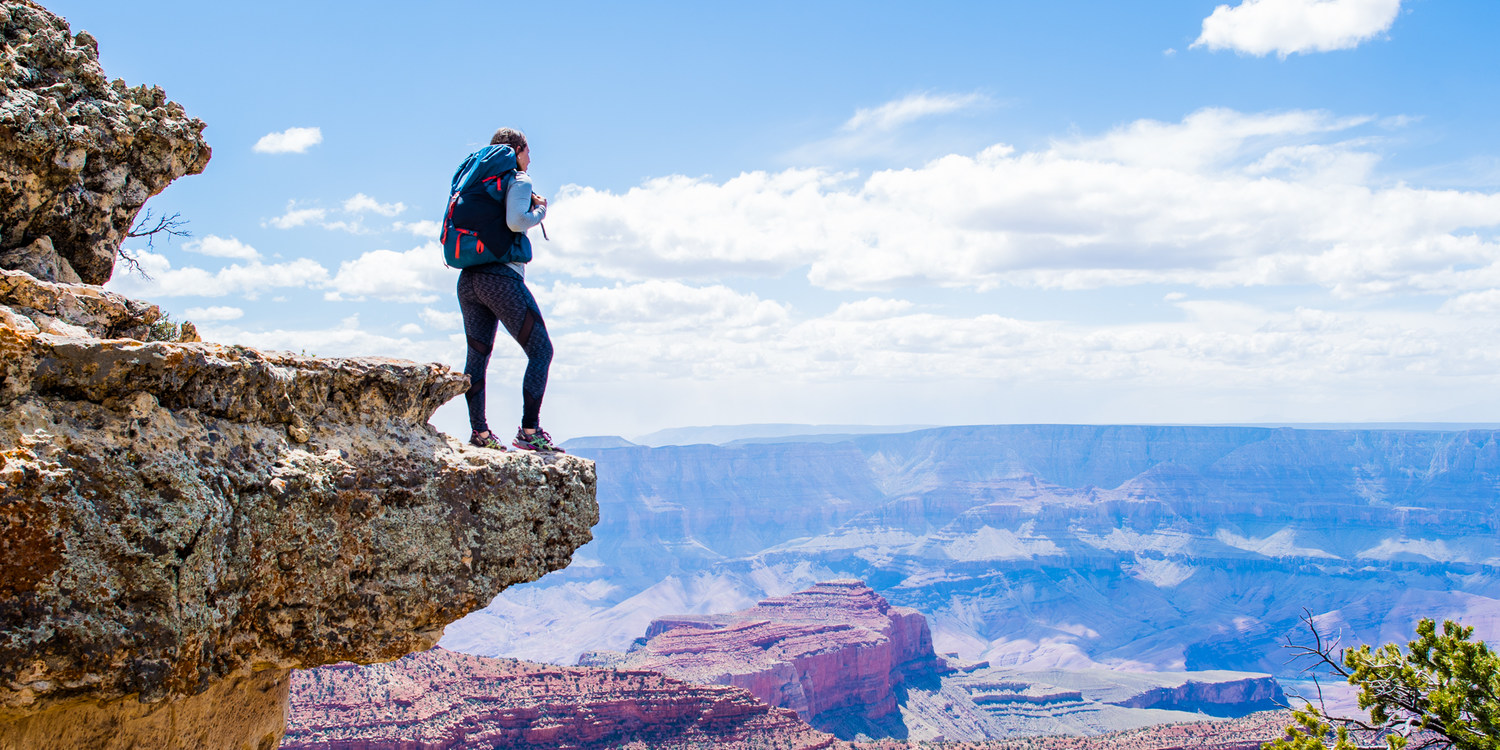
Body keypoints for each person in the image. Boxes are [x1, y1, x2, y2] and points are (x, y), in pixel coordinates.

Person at [455, 127, 564, 453]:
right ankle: (529, 432)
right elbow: (518, 222)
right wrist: (541, 209)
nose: (530, 159)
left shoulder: (476, 183)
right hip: (500, 279)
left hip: (468, 281)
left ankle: (480, 434)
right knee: (542, 351)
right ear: (516, 149)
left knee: (477, 356)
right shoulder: (517, 181)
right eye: (528, 151)